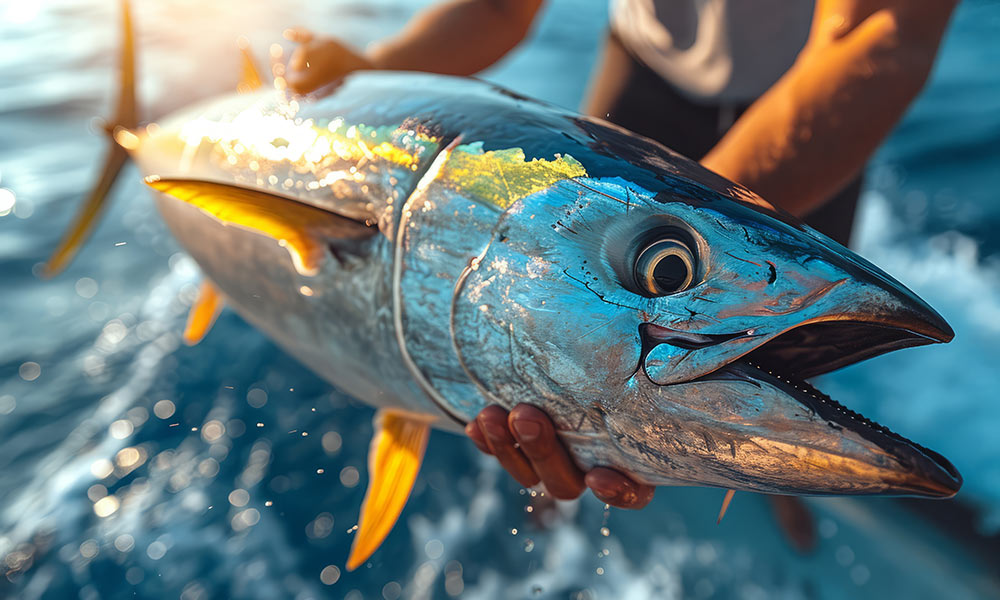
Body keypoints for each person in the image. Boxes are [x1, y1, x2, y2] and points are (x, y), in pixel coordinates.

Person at [282, 0, 958, 515]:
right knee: (578, 399)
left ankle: (774, 483)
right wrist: (375, 69)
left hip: (812, 110)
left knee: (785, 346)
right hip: (645, 75)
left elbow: (881, 33)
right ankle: (563, 496)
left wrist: (667, 260)